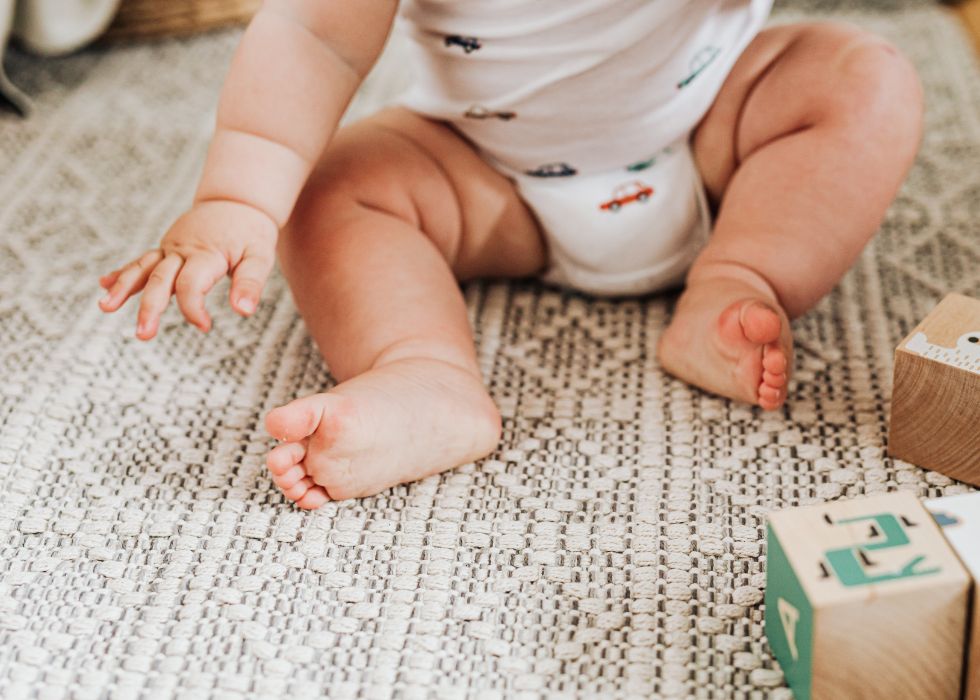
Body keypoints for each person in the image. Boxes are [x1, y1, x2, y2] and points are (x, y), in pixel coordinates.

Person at [98, 0, 924, 508]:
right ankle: (423, 371)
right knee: (327, 188)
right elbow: (315, 39)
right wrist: (236, 201)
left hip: (714, 139)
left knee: (863, 79)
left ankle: (742, 277)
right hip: (488, 180)